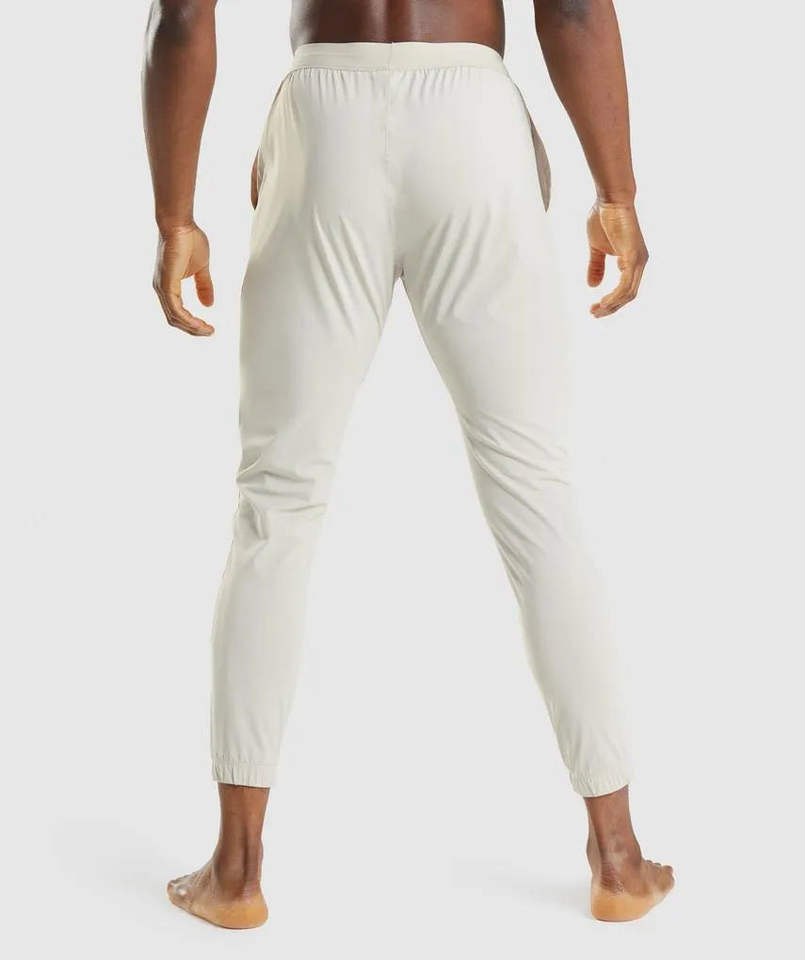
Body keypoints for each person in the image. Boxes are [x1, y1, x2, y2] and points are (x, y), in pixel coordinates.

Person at [143, 0, 673, 928]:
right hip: (471, 118)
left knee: (278, 503)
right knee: (536, 498)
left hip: (324, 122)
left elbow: (182, 17)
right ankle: (619, 860)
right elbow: (573, 8)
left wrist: (174, 215)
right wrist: (615, 193)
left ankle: (235, 871)